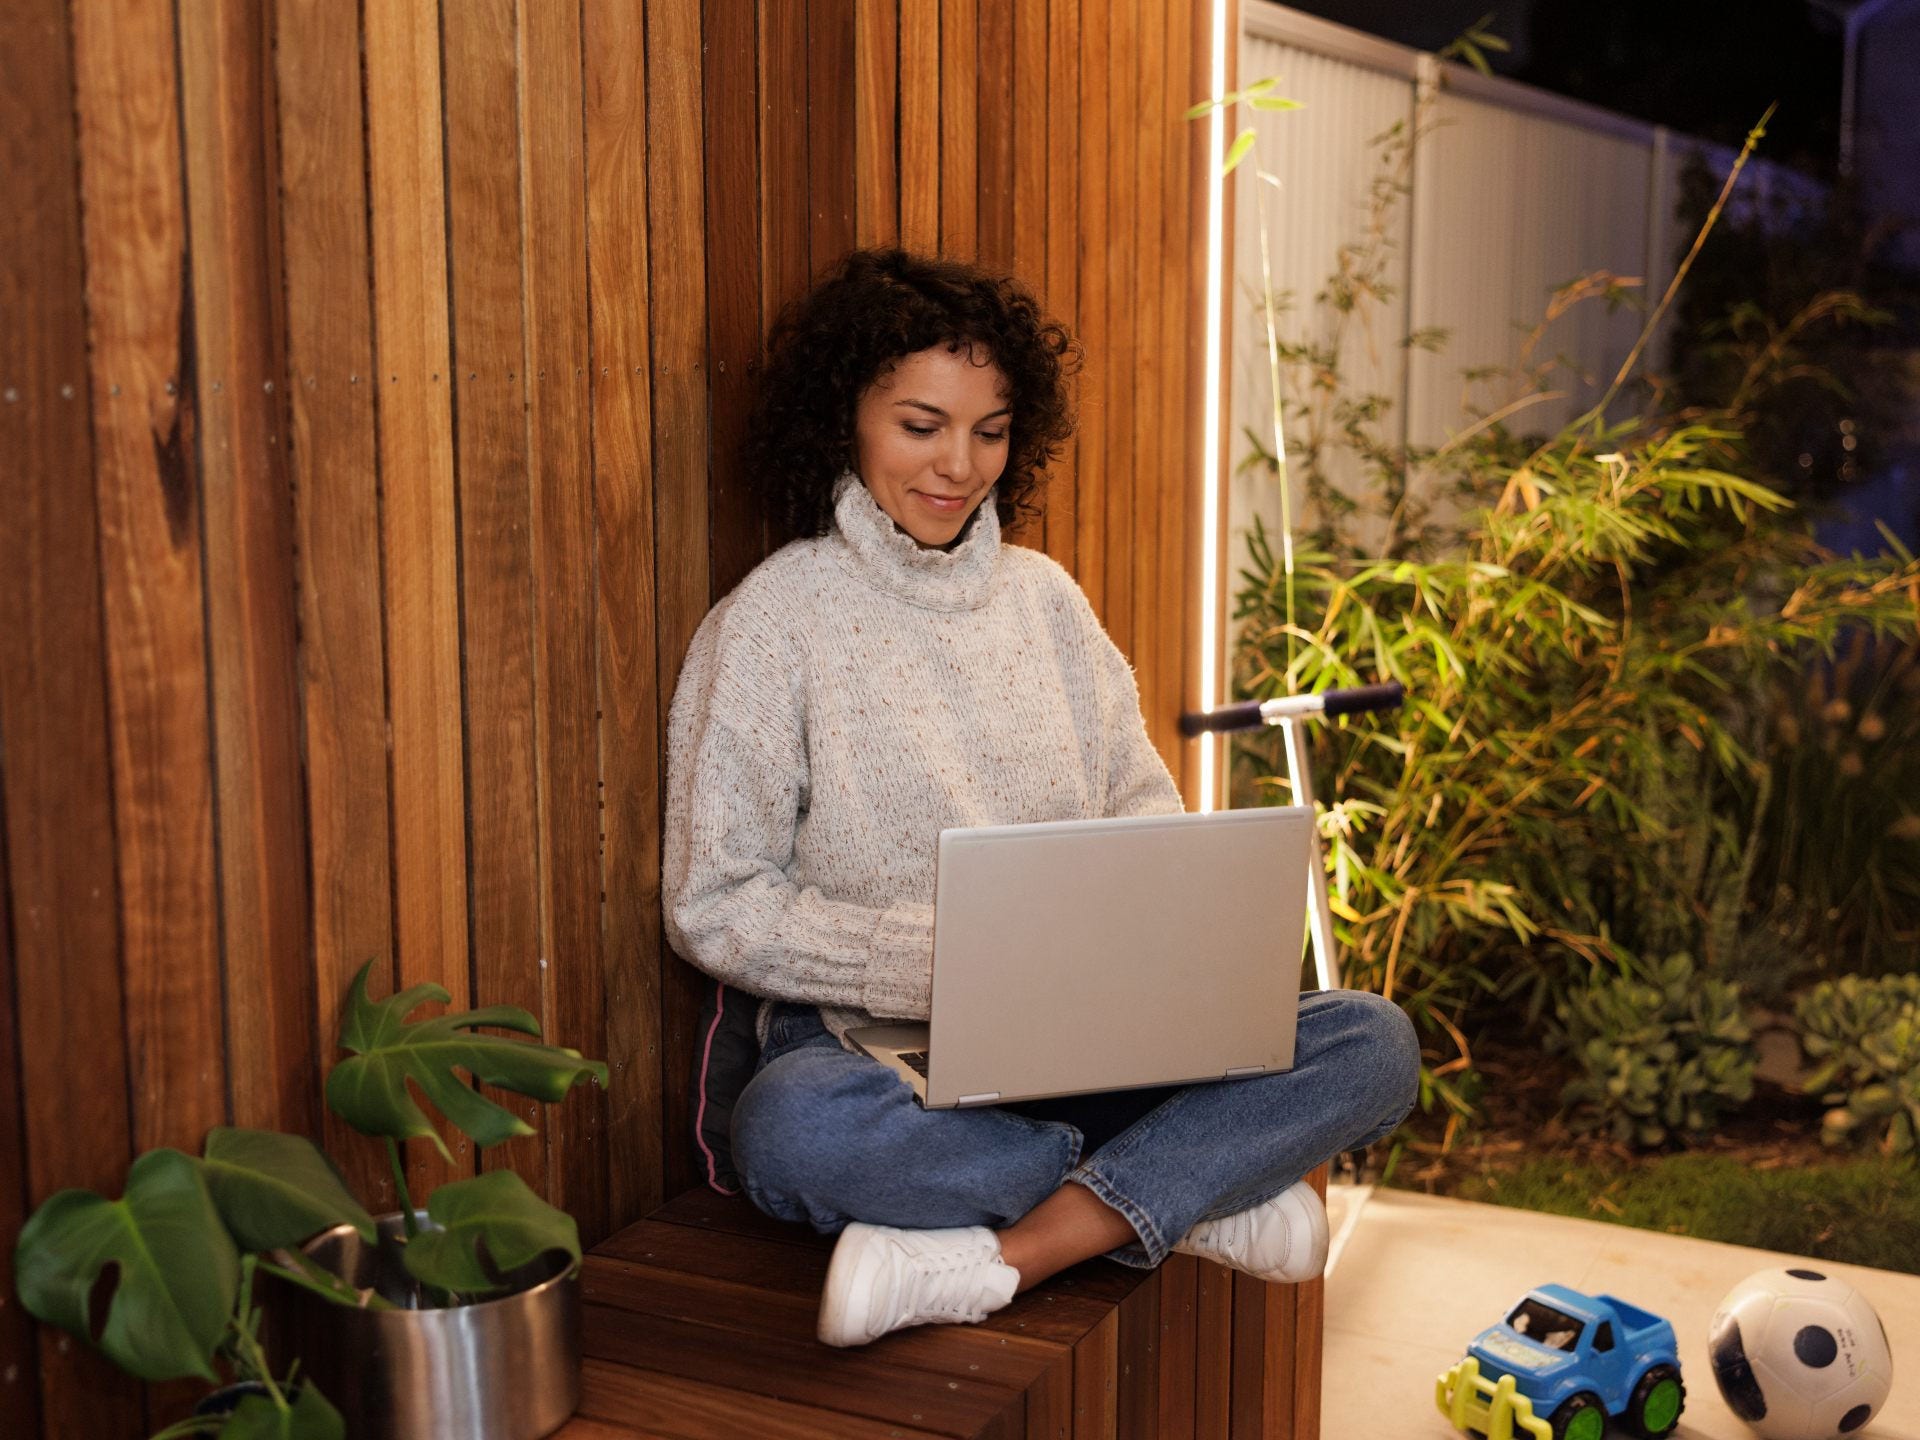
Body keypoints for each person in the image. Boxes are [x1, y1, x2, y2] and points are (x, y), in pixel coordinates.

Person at [663, 248, 1419, 1349]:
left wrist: (1164, 940)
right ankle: (1190, 1196)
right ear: (846, 420)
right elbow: (714, 903)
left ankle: (1018, 1250)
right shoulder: (771, 624)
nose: (958, 466)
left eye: (990, 430)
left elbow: (1144, 813)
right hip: (882, 1063)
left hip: (1093, 1046)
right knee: (787, 1132)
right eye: (920, 426)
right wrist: (941, 958)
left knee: (1373, 1041)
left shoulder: (1049, 602)